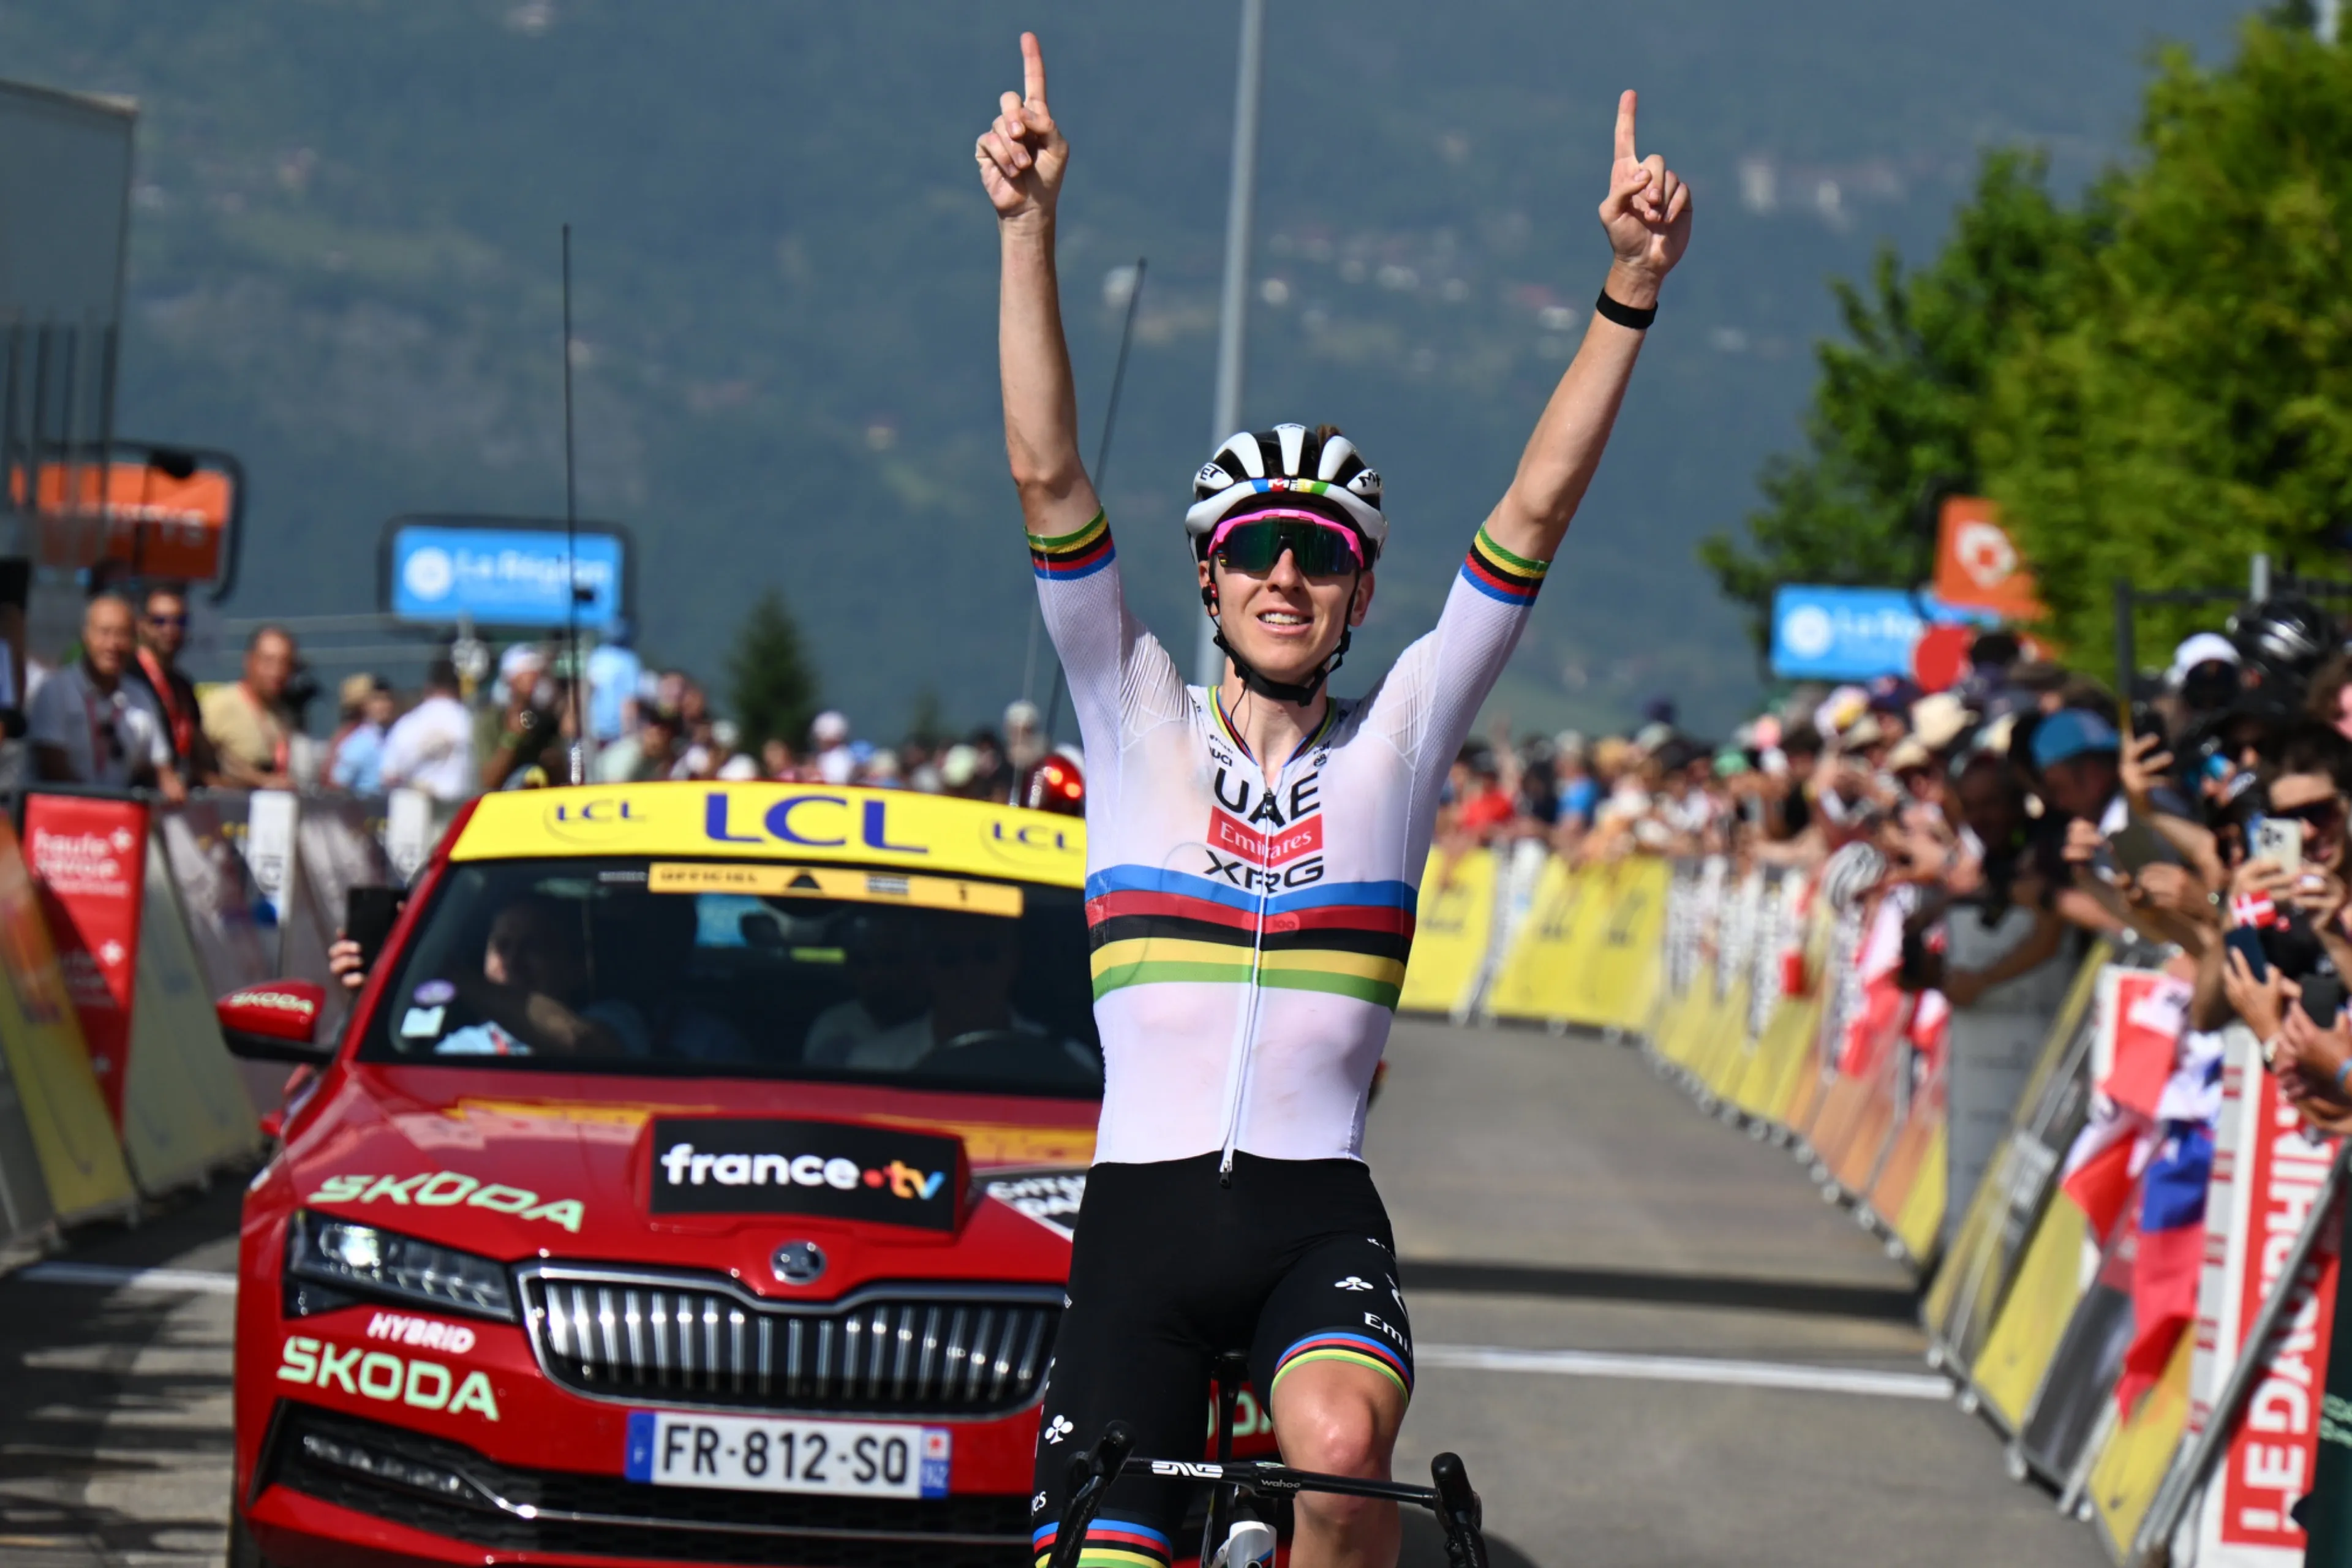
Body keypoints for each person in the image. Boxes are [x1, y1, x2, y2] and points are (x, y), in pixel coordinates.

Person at [977, 32, 1689, 1568]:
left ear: (1357, 588)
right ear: (1206, 575)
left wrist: (1628, 290)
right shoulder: (1127, 707)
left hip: (1313, 1222)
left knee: (1346, 1454)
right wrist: (1027, 227)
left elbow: (1533, 513)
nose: (1282, 573)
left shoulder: (1401, 738)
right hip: (1140, 1228)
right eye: (1253, 548)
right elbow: (1046, 478)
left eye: (1315, 552)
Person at [28, 594, 180, 797]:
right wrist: (100, 806)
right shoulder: (56, 690)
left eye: (122, 634)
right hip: (63, 818)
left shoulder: (140, 696)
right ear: (86, 636)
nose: (113, 645)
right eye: (104, 633)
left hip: (120, 822)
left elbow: (163, 769)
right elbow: (52, 767)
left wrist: (175, 791)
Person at [125, 583, 219, 789]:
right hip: (139, 795)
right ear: (142, 625)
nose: (170, 629)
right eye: (159, 621)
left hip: (180, 798)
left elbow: (196, 746)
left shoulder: (183, 686)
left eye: (180, 621)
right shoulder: (127, 677)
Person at [202, 624, 299, 790]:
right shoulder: (220, 705)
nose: (277, 671)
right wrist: (259, 780)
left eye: (285, 663)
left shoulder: (284, 715)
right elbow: (196, 768)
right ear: (249, 661)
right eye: (268, 661)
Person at [379, 659, 476, 804]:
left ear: (428, 687)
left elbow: (388, 776)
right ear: (459, 689)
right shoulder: (467, 720)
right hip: (459, 810)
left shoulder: (408, 723)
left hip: (415, 811)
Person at [328, 677, 398, 796]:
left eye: (387, 700)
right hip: (367, 809)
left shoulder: (398, 737)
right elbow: (339, 784)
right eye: (377, 700)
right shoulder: (356, 744)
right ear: (366, 706)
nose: (383, 706)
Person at [585, 619, 643, 745]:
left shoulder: (597, 656)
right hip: (616, 732)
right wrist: (630, 733)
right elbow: (629, 700)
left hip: (593, 729)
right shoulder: (628, 660)